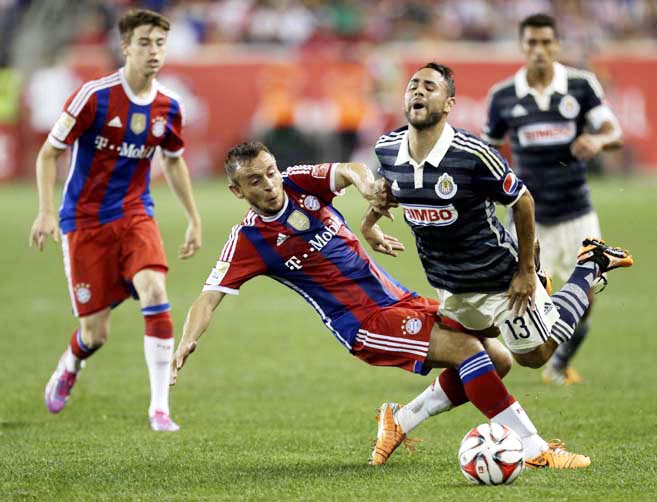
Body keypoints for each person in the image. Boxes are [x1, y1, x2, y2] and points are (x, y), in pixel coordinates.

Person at [170, 141, 595, 469]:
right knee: (468, 353)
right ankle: (534, 448)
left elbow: (349, 169)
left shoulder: (299, 181)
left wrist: (366, 185)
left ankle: (400, 421)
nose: (269, 184)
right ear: (236, 190)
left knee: (498, 359)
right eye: (256, 181)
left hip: (397, 297)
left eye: (270, 172)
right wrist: (187, 341)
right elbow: (208, 299)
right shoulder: (248, 240)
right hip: (362, 322)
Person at [364, 62, 632, 374]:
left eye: (429, 87)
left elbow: (523, 200)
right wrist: (368, 224)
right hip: (446, 279)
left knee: (534, 356)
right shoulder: (387, 148)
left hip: (496, 274)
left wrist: (526, 271)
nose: (418, 91)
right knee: (477, 342)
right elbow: (394, 191)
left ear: (449, 104)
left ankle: (589, 265)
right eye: (413, 86)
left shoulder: (473, 154)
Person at [29, 9, 202, 431]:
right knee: (95, 333)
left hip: (134, 213)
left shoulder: (168, 107)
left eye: (160, 43)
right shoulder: (94, 95)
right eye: (144, 43)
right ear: (125, 46)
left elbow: (174, 161)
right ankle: (71, 363)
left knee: (155, 287)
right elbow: (50, 152)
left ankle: (159, 408)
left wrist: (193, 219)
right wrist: (47, 211)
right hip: (84, 221)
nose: (154, 51)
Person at [481, 14, 623, 385]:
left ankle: (558, 365)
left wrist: (598, 141)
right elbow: (488, 153)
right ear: (522, 46)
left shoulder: (580, 85)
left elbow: (613, 131)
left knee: (587, 298)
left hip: (577, 210)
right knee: (517, 295)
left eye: (546, 42)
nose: (540, 50)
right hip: (529, 216)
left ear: (557, 45)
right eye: (532, 43)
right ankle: (489, 361)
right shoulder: (503, 96)